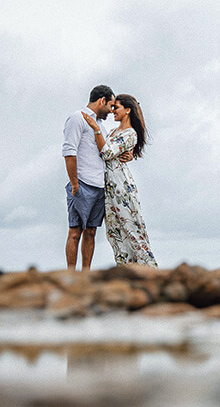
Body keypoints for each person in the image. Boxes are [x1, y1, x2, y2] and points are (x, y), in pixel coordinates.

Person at [81, 94, 158, 267]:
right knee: (115, 233)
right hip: (108, 188)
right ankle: (126, 271)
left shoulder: (130, 134)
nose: (112, 110)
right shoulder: (114, 132)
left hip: (120, 187)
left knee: (132, 229)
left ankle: (151, 270)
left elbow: (107, 153)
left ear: (128, 110)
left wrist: (95, 127)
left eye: (116, 107)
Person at [61, 85, 131, 270]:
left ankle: (86, 274)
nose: (111, 111)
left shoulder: (100, 125)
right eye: (110, 106)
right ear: (102, 101)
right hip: (82, 183)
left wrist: (129, 155)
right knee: (75, 232)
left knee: (91, 232)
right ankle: (70, 274)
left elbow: (107, 151)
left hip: (100, 185)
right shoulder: (77, 118)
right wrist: (75, 183)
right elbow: (69, 152)